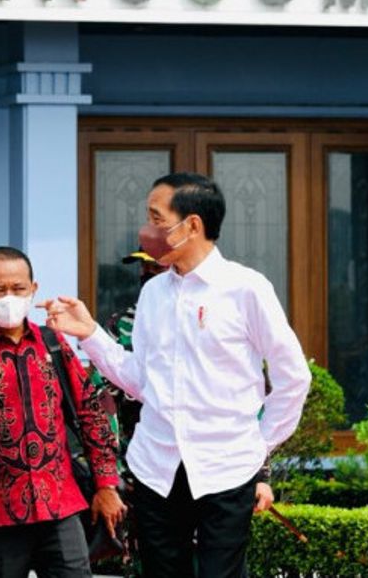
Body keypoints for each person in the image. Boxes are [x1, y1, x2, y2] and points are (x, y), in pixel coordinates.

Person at [46, 172, 311, 578]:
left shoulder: (246, 289)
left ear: (192, 226)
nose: (146, 231)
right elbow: (139, 380)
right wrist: (91, 333)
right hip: (157, 467)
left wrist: (260, 444)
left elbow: (293, 375)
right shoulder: (154, 294)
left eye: (156, 219)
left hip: (226, 469)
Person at [0, 246, 125, 578]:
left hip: (61, 505)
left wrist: (106, 485)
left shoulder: (54, 344)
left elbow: (91, 413)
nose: (9, 297)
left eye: (18, 289)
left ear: (33, 289)